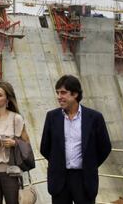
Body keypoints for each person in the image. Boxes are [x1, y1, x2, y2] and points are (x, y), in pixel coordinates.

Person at [40, 74, 112, 204]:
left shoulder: (94, 118)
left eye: (63, 93)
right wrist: (58, 163)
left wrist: (89, 164)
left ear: (75, 94)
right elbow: (45, 147)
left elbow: (105, 147)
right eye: (57, 93)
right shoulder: (52, 117)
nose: (59, 97)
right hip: (60, 181)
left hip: (84, 179)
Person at [0, 81, 30, 204]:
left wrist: (14, 143)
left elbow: (27, 145)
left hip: (11, 173)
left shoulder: (16, 118)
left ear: (7, 99)